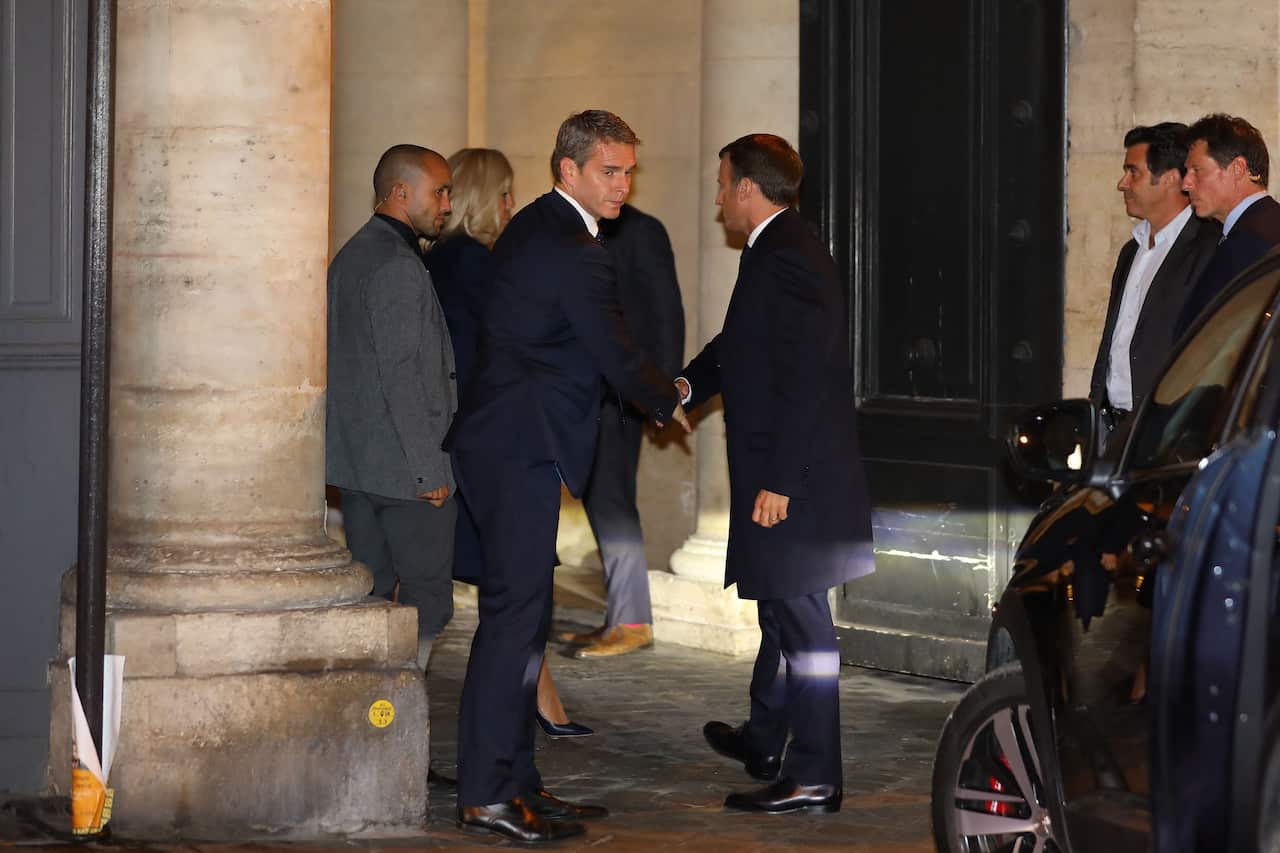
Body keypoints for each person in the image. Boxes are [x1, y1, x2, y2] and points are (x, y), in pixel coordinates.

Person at [444, 110, 688, 843]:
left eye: (627, 171)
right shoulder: (569, 243)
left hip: (513, 442)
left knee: (525, 622)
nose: (623, 184)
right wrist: (668, 395)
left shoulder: (544, 228)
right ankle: (487, 792)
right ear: (568, 170)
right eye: (609, 171)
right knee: (513, 623)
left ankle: (517, 781)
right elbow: (613, 347)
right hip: (517, 445)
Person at [678, 134, 874, 815]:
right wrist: (688, 384)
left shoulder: (787, 255)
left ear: (746, 190)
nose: (716, 197)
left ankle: (816, 774)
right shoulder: (774, 248)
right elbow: (745, 345)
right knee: (779, 610)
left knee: (803, 624)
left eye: (721, 183)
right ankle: (766, 740)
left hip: (799, 477)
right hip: (788, 468)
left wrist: (783, 480)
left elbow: (811, 376)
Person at [424, 147, 591, 738]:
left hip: (476, 439)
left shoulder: (455, 260)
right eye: (503, 194)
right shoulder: (469, 264)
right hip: (491, 442)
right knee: (513, 591)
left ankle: (537, 709)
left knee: (512, 588)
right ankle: (506, 744)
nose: (511, 206)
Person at [326, 144, 458, 672]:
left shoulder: (353, 253)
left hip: (360, 469)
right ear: (401, 193)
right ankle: (402, 709)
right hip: (407, 474)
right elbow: (402, 376)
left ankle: (376, 714)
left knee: (374, 598)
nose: (447, 204)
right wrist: (430, 468)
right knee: (427, 604)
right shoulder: (396, 264)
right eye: (439, 191)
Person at [560, 203, 685, 659]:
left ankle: (632, 621)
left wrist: (661, 394)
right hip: (574, 395)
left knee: (612, 502)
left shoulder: (642, 230)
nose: (619, 183)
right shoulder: (563, 226)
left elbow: (665, 315)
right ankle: (620, 616)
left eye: (624, 172)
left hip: (618, 396)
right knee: (599, 498)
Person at [1089, 122, 1220, 431]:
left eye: (1134, 172)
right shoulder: (1130, 250)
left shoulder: (1210, 247)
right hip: (1112, 426)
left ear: (1171, 179)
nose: (1123, 183)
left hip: (1170, 428)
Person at [1175, 113, 1280, 336]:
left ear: (1237, 169)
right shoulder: (1252, 230)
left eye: (1196, 170)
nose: (1186, 184)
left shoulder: (1255, 240)